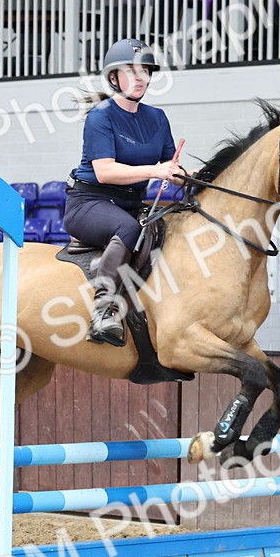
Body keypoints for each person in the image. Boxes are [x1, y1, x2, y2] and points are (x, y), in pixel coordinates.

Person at [64, 38, 183, 347]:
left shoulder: (157, 118)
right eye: (131, 71)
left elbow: (171, 166)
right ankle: (103, 311)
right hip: (89, 203)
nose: (140, 77)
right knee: (128, 227)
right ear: (114, 77)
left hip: (130, 203)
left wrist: (198, 178)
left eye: (145, 70)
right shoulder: (100, 116)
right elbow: (105, 171)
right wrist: (156, 171)